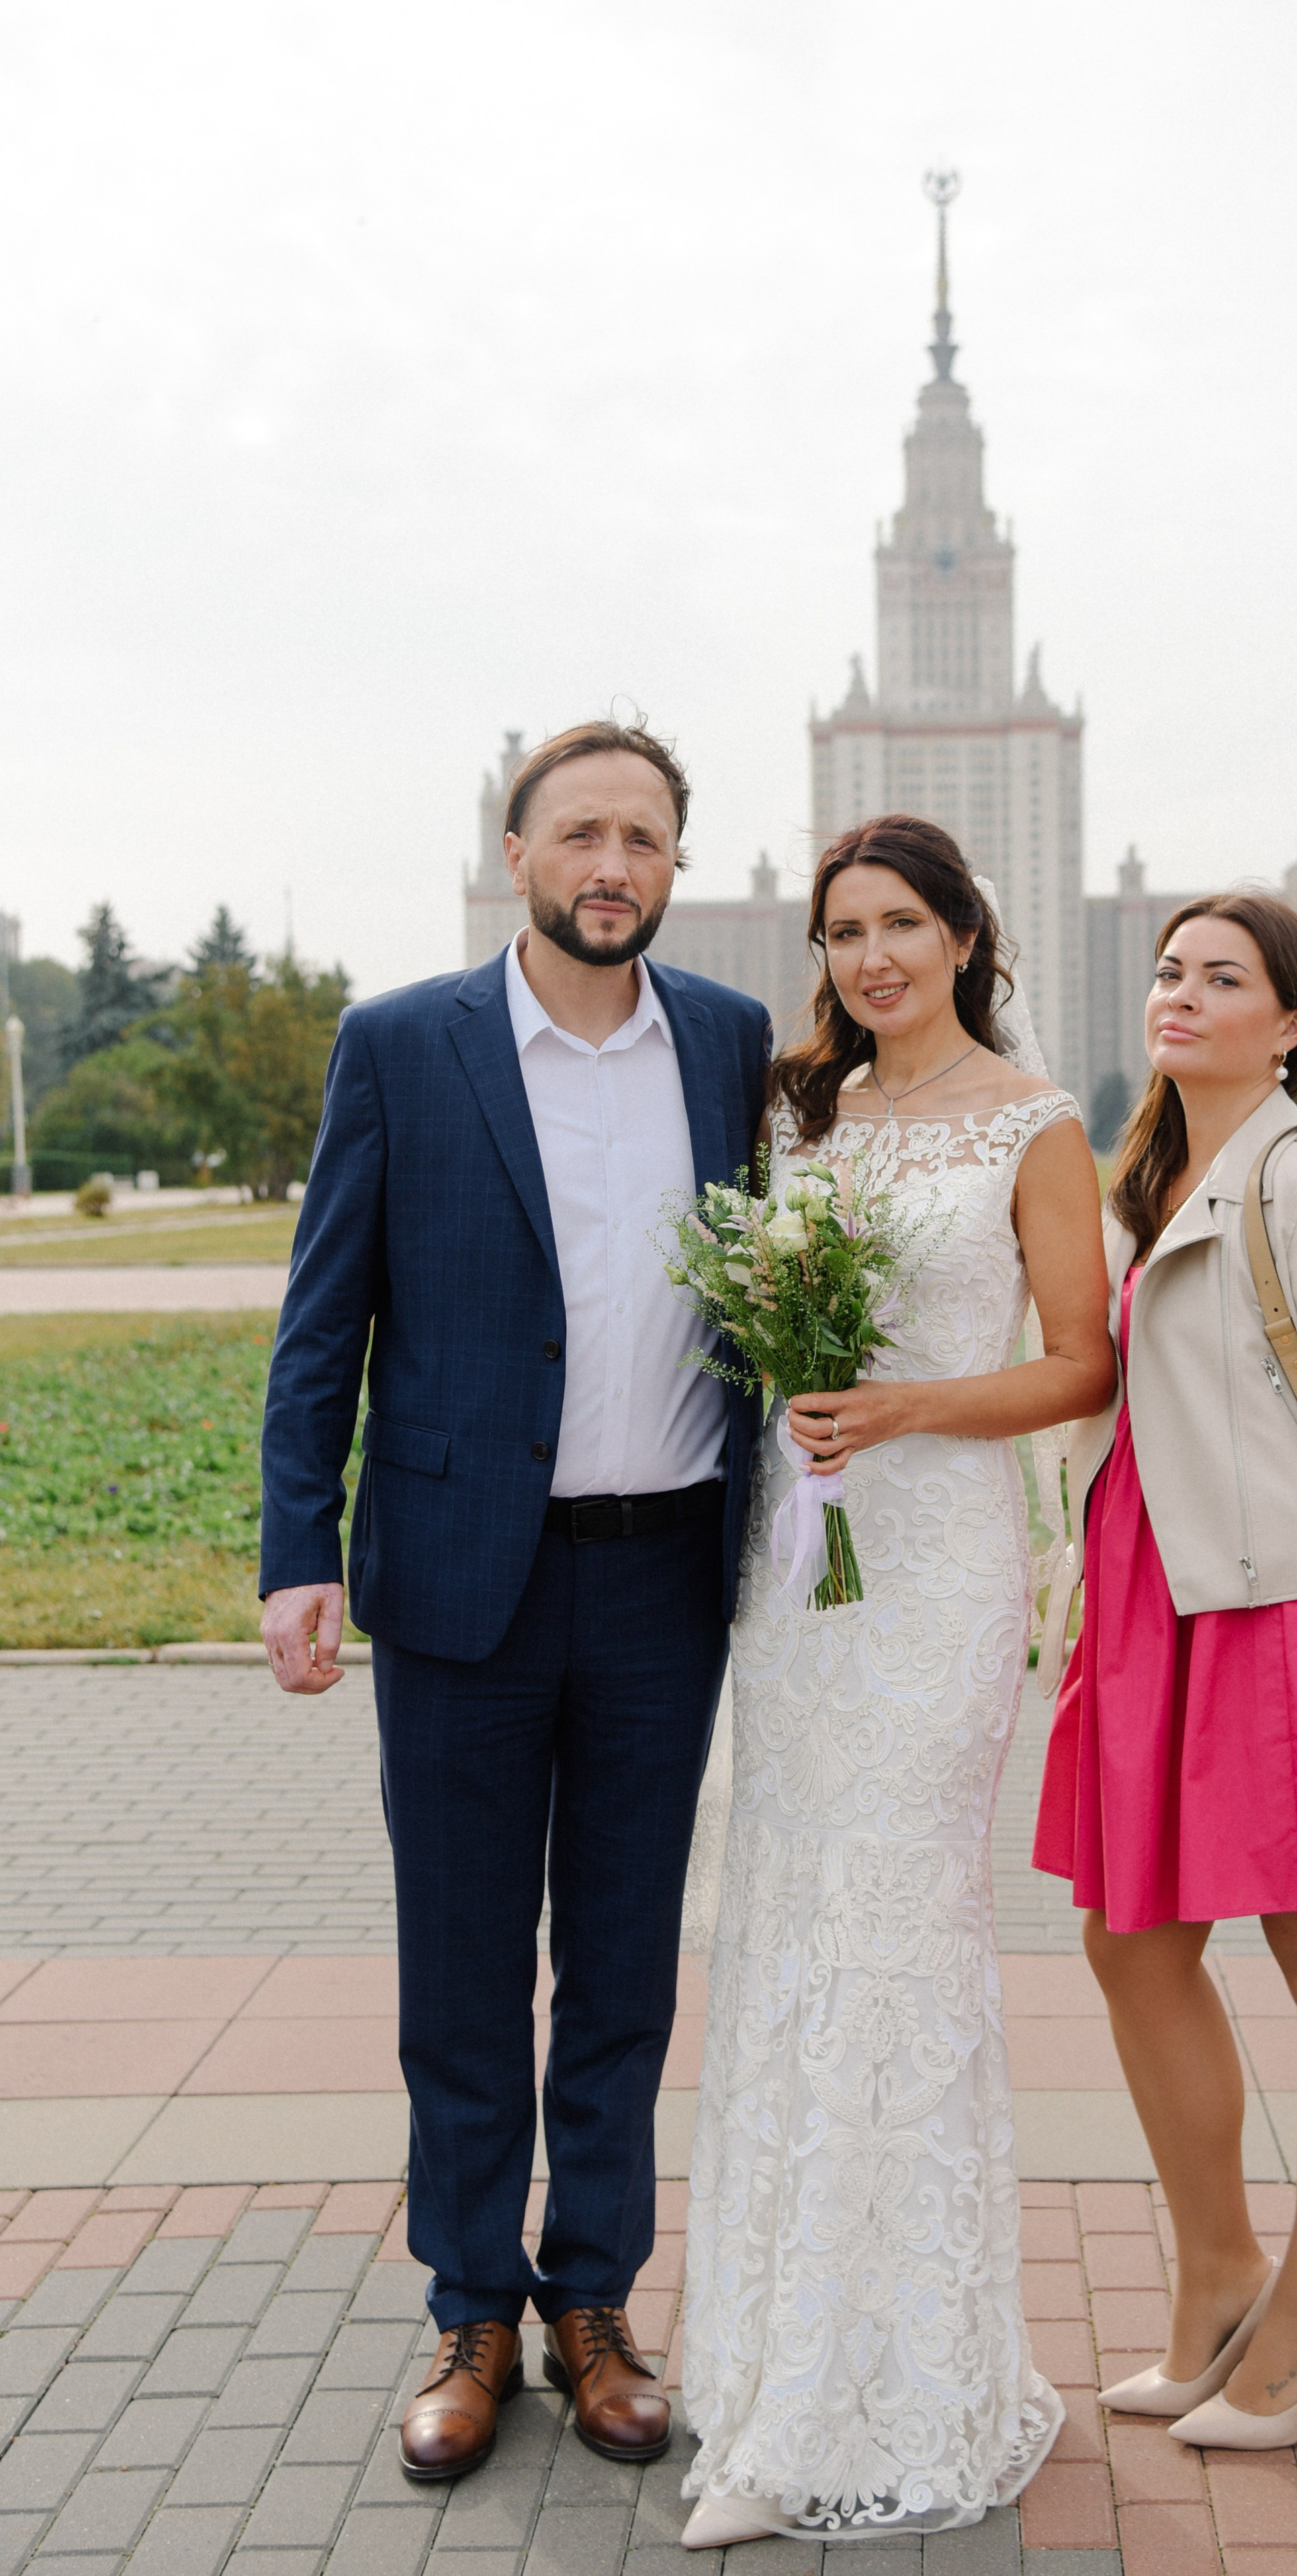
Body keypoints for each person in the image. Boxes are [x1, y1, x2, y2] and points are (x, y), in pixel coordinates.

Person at [259, 719, 770, 2485]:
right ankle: (472, 2305)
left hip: (664, 1576)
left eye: (644, 837)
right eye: (581, 833)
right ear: (518, 854)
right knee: (465, 1966)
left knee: (622, 1967)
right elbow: (322, 1319)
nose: (612, 864)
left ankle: (593, 2301)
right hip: (461, 1577)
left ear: (675, 863)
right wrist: (299, 1547)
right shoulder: (404, 1043)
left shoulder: (729, 1042)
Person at [677, 815, 1116, 2545]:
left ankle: (898, 2388)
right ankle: (774, 2364)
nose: (870, 957)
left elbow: (1080, 1363)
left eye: (901, 925)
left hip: (934, 1572)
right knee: (786, 1924)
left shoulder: (1033, 1120)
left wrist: (910, 1407)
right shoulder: (801, 1114)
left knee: (894, 1932)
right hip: (798, 1571)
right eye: (843, 930)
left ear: (963, 938)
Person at [1033, 890, 1297, 2451]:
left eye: (1222, 977)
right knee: (1129, 1942)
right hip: (1147, 1604)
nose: (1180, 993)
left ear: (1287, 1023)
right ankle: (1218, 2279)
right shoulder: (1137, 1183)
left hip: (1285, 1610)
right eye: (1169, 970)